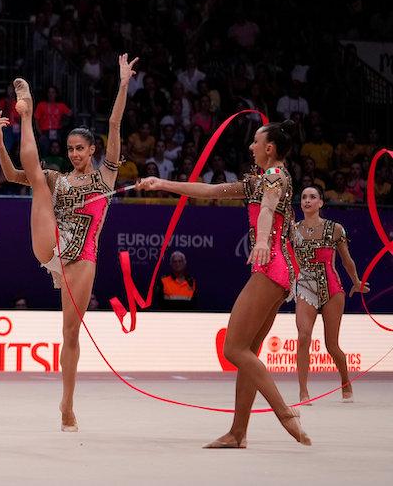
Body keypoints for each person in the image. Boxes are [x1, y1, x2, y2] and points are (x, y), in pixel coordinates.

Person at [138, 120, 311, 448]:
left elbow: (267, 211)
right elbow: (211, 190)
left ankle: (284, 412)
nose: (251, 147)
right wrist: (162, 182)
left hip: (271, 266)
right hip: (280, 269)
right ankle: (238, 433)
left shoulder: (275, 177)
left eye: (256, 142)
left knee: (233, 349)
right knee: (248, 351)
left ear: (269, 148)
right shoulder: (259, 180)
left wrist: (261, 240)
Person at [0, 54, 136, 432]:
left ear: (93, 150)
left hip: (83, 257)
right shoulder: (60, 179)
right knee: (38, 178)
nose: (73, 153)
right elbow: (11, 174)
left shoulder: (106, 177)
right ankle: (27, 113)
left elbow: (116, 122)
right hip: (53, 244)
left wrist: (122, 84)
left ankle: (67, 405)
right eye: (70, 148)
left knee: (69, 332)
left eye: (80, 149)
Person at [292, 186, 367, 405]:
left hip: (332, 289)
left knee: (331, 346)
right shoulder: (293, 230)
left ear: (321, 203)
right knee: (303, 337)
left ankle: (346, 382)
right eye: (304, 197)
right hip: (305, 287)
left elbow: (347, 260)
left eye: (312, 197)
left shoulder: (335, 229)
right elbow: (288, 260)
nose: (307, 200)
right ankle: (303, 392)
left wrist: (357, 282)